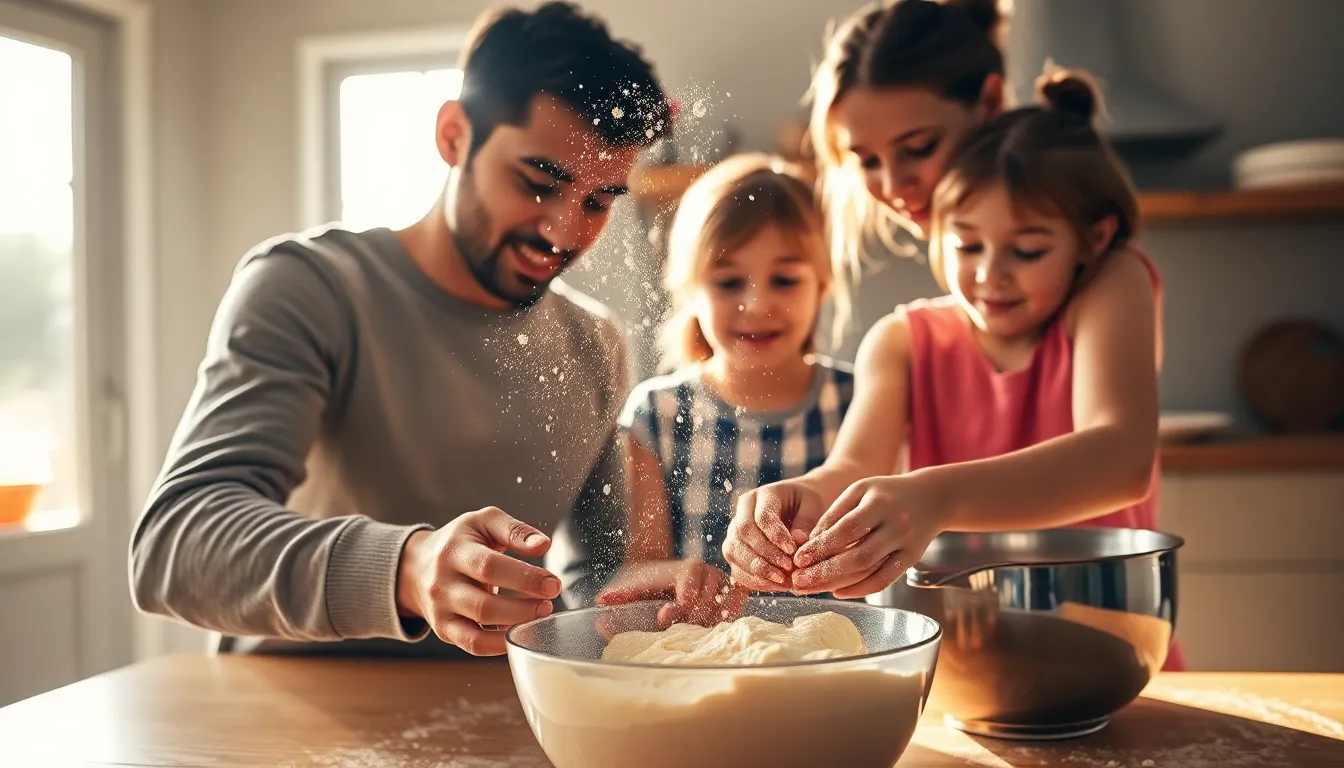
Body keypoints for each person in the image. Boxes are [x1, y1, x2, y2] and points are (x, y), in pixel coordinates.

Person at [129, 1, 672, 658]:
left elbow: (593, 580)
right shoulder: (311, 288)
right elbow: (175, 547)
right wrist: (408, 569)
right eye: (537, 183)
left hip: (500, 724)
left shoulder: (596, 343)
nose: (564, 232)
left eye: (597, 202)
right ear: (453, 135)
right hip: (287, 729)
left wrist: (640, 596)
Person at [725, 1, 1186, 670]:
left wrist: (935, 497)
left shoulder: (1108, 283)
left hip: (1108, 649)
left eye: (916, 149)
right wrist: (801, 502)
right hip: (970, 660)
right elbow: (856, 467)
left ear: (989, 102)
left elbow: (1119, 460)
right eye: (866, 160)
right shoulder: (906, 338)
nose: (893, 185)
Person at [594, 154, 855, 626]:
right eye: (729, 281)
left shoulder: (861, 401)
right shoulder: (657, 414)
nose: (756, 304)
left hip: (837, 667)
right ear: (691, 291)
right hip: (706, 666)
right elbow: (641, 565)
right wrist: (675, 579)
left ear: (822, 286)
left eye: (785, 280)